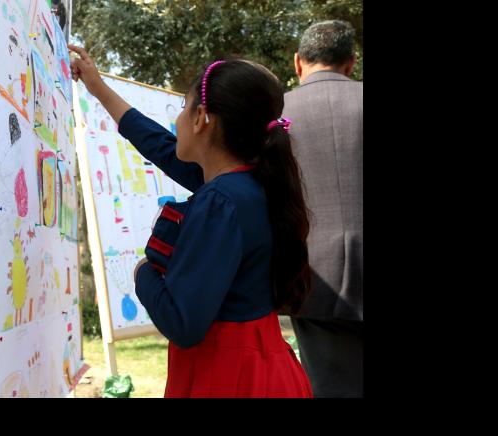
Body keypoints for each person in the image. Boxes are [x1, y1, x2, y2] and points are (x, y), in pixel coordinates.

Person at [70, 46, 313, 398]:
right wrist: (98, 87)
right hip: (263, 366)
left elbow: (182, 322)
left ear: (201, 119)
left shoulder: (219, 200)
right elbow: (159, 145)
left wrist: (143, 273)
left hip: (227, 376)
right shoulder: (253, 184)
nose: (177, 121)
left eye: (183, 110)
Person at [282, 20, 363, 397]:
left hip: (311, 275)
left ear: (298, 62)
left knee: (329, 387)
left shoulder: (274, 113)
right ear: (351, 62)